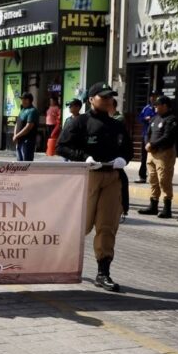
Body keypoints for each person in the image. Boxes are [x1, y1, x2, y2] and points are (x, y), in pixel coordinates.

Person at [56, 83, 132, 292]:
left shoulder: (117, 125)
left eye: (110, 97)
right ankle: (60, 261)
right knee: (82, 224)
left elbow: (127, 150)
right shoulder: (79, 122)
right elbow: (61, 146)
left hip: (112, 178)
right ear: (91, 99)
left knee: (107, 226)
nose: (108, 100)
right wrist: (83, 158)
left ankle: (103, 272)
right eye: (103, 97)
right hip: (88, 176)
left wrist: (122, 159)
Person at [138, 95, 178, 218]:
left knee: (164, 180)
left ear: (165, 106)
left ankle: (167, 208)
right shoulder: (155, 118)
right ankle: (153, 205)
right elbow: (147, 133)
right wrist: (147, 143)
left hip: (164, 153)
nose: (155, 106)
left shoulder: (171, 119)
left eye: (157, 104)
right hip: (151, 153)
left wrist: (153, 144)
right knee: (153, 179)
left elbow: (168, 137)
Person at [12, 92, 38, 162]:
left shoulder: (32, 111)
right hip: (19, 140)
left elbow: (28, 127)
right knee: (19, 162)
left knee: (26, 163)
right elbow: (17, 123)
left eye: (23, 99)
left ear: (27, 100)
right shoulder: (22, 110)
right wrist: (15, 135)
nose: (21, 101)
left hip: (27, 141)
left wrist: (17, 136)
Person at [137, 95, 157, 183]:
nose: (153, 99)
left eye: (155, 97)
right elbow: (140, 118)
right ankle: (142, 176)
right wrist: (145, 118)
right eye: (152, 97)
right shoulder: (146, 108)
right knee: (144, 156)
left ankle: (154, 177)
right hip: (145, 134)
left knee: (154, 156)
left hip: (155, 135)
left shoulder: (158, 108)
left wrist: (152, 118)